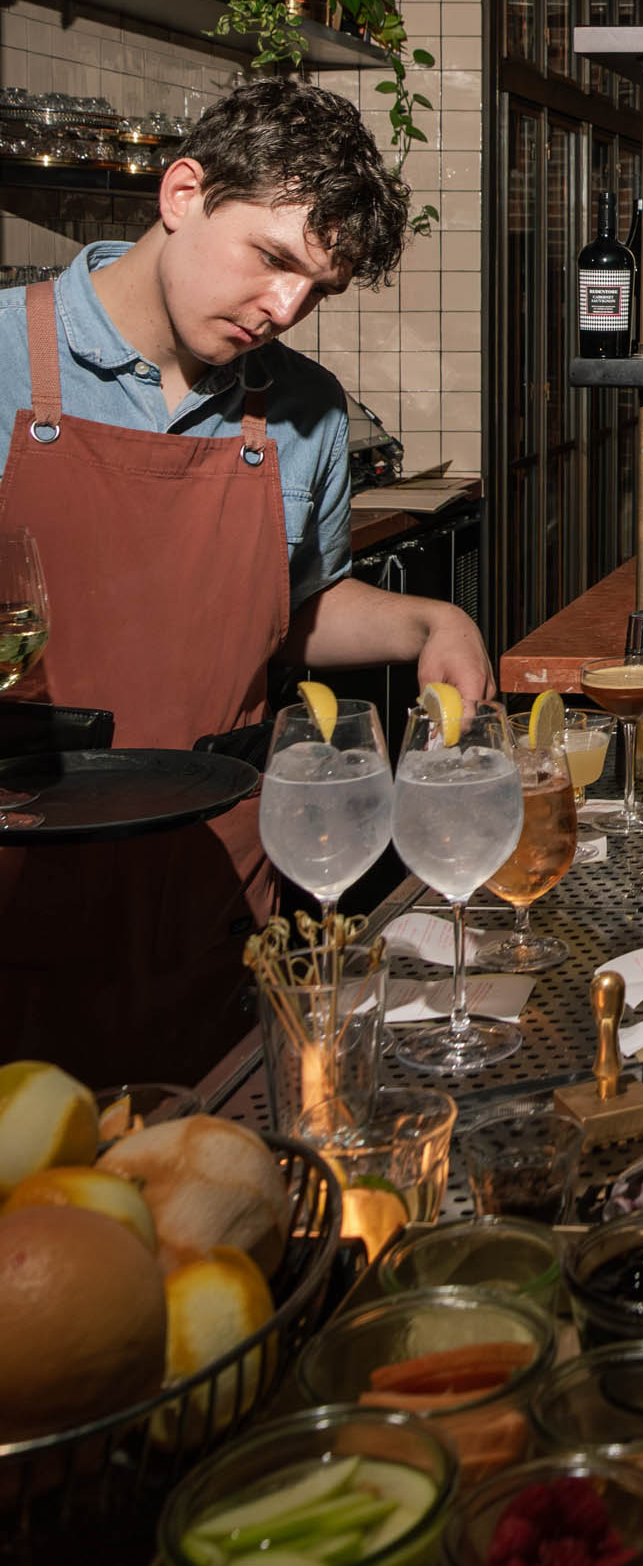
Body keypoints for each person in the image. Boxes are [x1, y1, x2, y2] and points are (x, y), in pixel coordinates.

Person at [0, 79, 494, 1082]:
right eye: (271, 260)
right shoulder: (3, 358)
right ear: (183, 192)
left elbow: (289, 609)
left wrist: (425, 622)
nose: (284, 309)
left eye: (316, 289)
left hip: (218, 886)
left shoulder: (302, 410)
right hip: (23, 886)